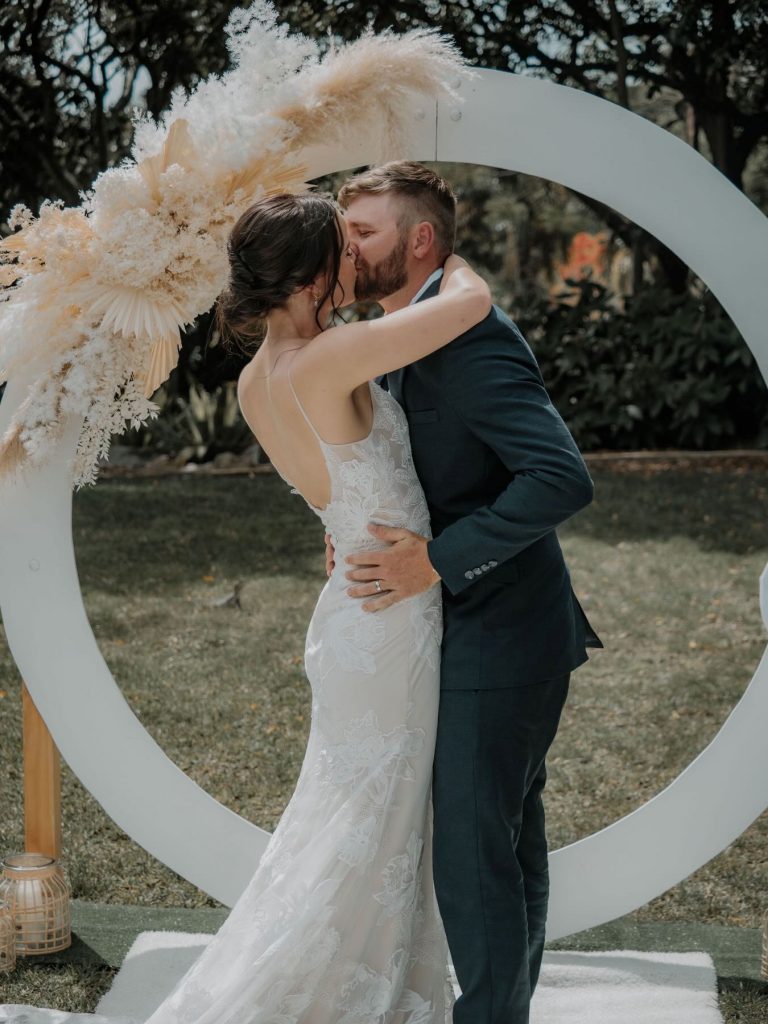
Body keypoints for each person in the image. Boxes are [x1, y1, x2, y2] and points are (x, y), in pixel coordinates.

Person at [0, 193, 491, 1023]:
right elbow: (469, 305)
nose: (357, 264)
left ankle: (375, 983)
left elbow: (333, 491)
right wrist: (449, 251)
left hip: (354, 607)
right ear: (309, 278)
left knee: (354, 820)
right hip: (390, 619)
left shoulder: (258, 382)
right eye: (344, 249)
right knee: (371, 825)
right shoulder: (330, 360)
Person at [326, 161, 604, 1024]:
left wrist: (439, 559)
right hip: (464, 632)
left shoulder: (467, 336)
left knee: (475, 858)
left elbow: (561, 477)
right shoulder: (406, 325)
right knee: (504, 846)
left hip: (504, 631)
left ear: (420, 242)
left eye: (362, 232)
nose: (346, 247)